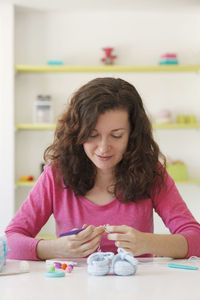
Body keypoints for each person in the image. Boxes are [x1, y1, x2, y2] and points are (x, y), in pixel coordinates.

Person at [5, 77, 200, 261]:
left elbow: (196, 240)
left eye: (116, 135)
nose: (103, 148)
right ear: (77, 133)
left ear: (133, 135)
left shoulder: (151, 172)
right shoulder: (56, 174)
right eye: (92, 135)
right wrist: (55, 248)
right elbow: (10, 242)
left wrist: (148, 243)